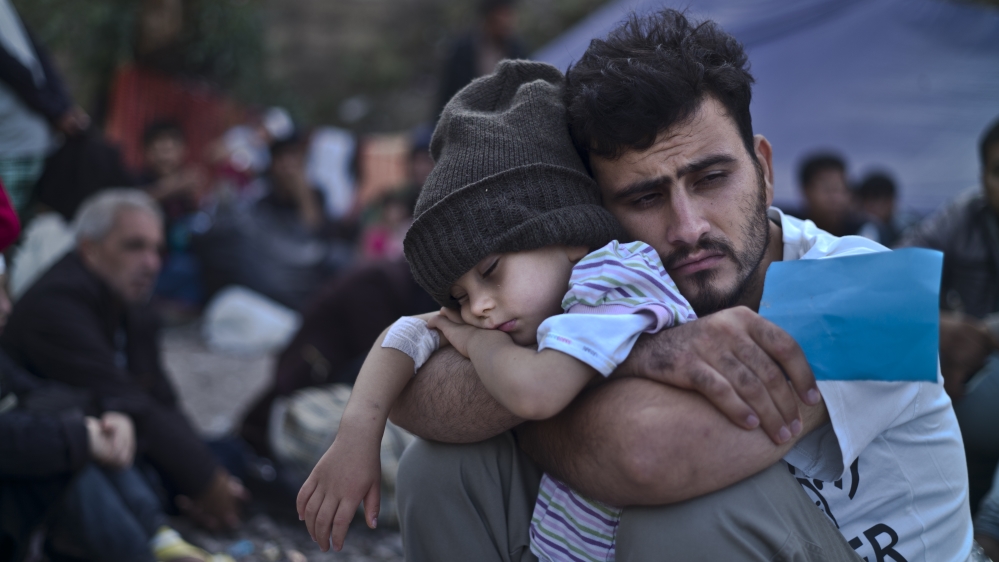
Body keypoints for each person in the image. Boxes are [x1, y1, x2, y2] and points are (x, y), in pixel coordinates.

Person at [391, 10, 972, 561]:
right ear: (597, 213)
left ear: (764, 171)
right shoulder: (606, 278)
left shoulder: (872, 289)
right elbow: (417, 388)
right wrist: (640, 354)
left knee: (688, 511)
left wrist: (550, 382)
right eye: (645, 198)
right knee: (444, 470)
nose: (688, 228)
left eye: (711, 178)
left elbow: (646, 457)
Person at [297, 62, 698, 556]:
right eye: (460, 296)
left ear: (570, 234)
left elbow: (537, 392)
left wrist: (476, 341)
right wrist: (357, 433)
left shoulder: (615, 276)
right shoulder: (519, 307)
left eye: (491, 270)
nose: (479, 308)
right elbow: (405, 333)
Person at [0, 183, 228, 562]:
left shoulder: (127, 299)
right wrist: (204, 480)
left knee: (227, 453)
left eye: (157, 250)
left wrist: (206, 472)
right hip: (38, 471)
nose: (151, 263)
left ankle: (162, 538)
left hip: (73, 443)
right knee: (73, 454)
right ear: (90, 248)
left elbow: (157, 397)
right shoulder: (55, 305)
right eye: (134, 246)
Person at [898, 116, 999, 560]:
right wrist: (938, 326)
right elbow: (893, 272)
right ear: (983, 177)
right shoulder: (964, 215)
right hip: (961, 380)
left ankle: (990, 533)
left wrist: (985, 334)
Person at [0, 0, 89, 213]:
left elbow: (15, 68)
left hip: (13, 142)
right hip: (25, 136)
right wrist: (60, 107)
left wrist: (58, 109)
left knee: (8, 224)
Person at [434, 0, 526, 121]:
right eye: (501, 16)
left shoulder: (517, 50)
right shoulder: (464, 50)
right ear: (489, 18)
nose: (507, 22)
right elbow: (448, 93)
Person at [793, 152, 865, 237]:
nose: (836, 198)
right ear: (806, 190)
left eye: (840, 189)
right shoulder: (789, 228)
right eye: (827, 189)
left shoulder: (863, 232)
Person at [855, 171, 911, 247]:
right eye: (866, 199)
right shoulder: (862, 230)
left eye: (876, 198)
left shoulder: (906, 228)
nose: (870, 206)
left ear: (891, 201)